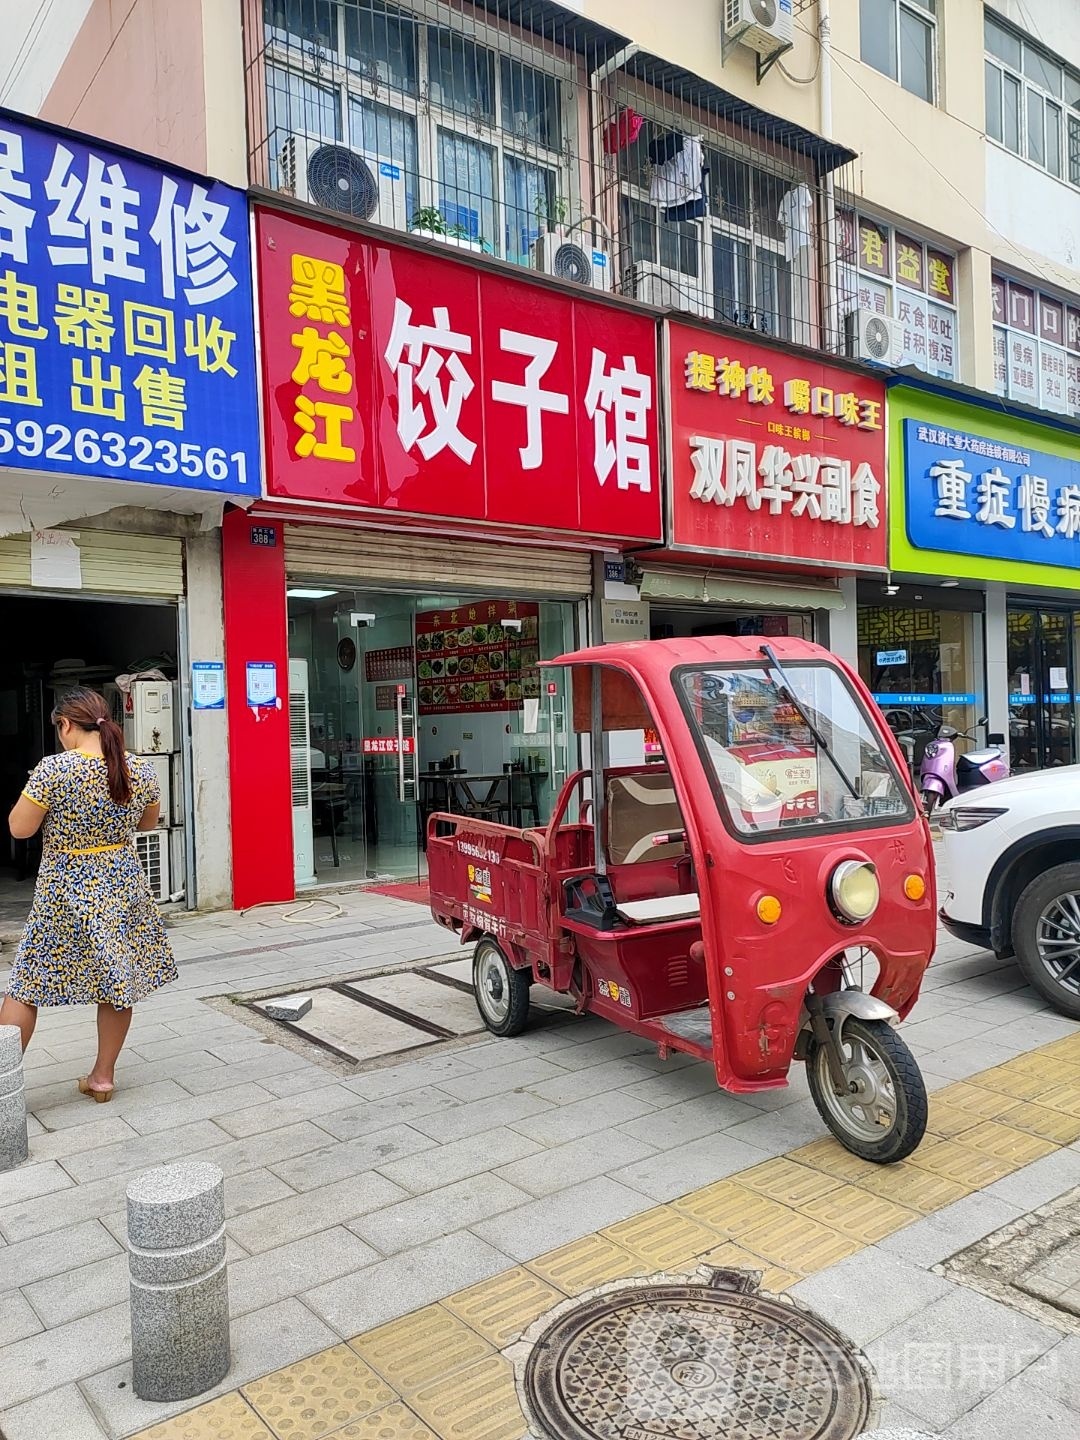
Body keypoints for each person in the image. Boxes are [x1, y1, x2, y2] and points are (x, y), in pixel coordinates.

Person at [0, 687, 177, 1101]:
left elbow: (19, 828)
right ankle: (102, 1076)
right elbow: (148, 824)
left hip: (65, 888)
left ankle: (3, 1080)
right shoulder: (139, 768)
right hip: (121, 885)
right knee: (117, 978)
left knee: (26, 985)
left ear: (65, 724)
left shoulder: (54, 770)